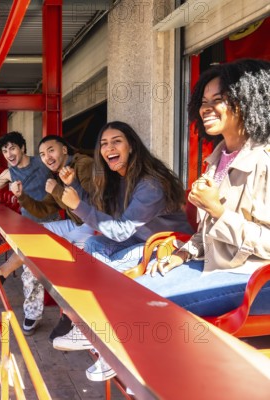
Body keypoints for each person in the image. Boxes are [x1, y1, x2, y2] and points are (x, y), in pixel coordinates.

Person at [55, 121, 193, 381]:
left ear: (131, 146)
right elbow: (106, 220)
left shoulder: (150, 184)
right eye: (104, 144)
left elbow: (119, 230)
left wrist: (77, 206)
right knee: (93, 245)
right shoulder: (120, 178)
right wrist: (78, 190)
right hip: (140, 242)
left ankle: (103, 339)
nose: (109, 148)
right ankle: (95, 327)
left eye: (116, 141)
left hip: (167, 248)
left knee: (110, 269)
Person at [136, 59, 270, 320]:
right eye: (203, 102)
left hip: (255, 281)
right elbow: (208, 233)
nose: (206, 109)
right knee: (135, 290)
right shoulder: (217, 160)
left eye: (217, 100)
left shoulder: (264, 161)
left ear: (246, 101)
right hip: (215, 268)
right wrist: (185, 253)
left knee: (146, 306)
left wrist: (218, 211)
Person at [0, 131, 58, 335]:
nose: (9, 153)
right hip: (27, 227)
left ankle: (3, 275)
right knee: (31, 270)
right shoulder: (9, 173)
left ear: (23, 148)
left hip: (51, 224)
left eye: (12, 148)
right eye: (5, 150)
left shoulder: (42, 163)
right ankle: (8, 282)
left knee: (31, 270)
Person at [11, 135, 96, 340]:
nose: (46, 157)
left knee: (56, 251)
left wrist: (58, 189)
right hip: (77, 223)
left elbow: (93, 203)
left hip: (96, 225)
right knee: (33, 235)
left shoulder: (84, 164)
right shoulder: (57, 174)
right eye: (42, 154)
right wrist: (22, 196)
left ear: (64, 150)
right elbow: (44, 209)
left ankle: (70, 316)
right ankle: (32, 310)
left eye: (51, 150)